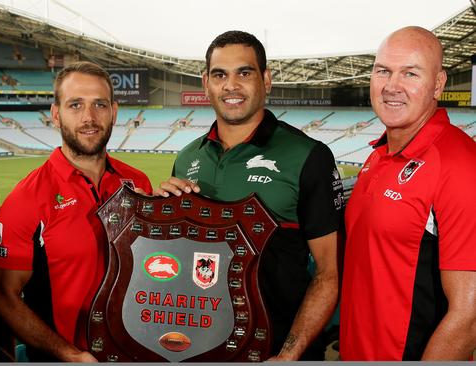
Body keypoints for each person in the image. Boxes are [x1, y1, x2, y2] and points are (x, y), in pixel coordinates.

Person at [155, 31, 342, 360]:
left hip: (278, 352)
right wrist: (157, 216)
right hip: (202, 348)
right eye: (219, 75)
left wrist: (288, 355)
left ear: (266, 80)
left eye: (244, 72)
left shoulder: (308, 156)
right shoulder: (186, 158)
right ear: (206, 83)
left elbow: (329, 273)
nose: (231, 85)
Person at [0, 61, 152, 362]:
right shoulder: (26, 200)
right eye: (75, 105)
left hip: (136, 352)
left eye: (99, 105)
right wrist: (69, 354)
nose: (89, 118)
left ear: (114, 111)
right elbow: (3, 295)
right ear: (56, 114)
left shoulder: (138, 183)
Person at [340, 26, 476, 360]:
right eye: (382, 70)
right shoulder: (378, 155)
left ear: (438, 84)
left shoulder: (458, 164)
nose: (391, 86)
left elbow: (469, 317)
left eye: (410, 73)